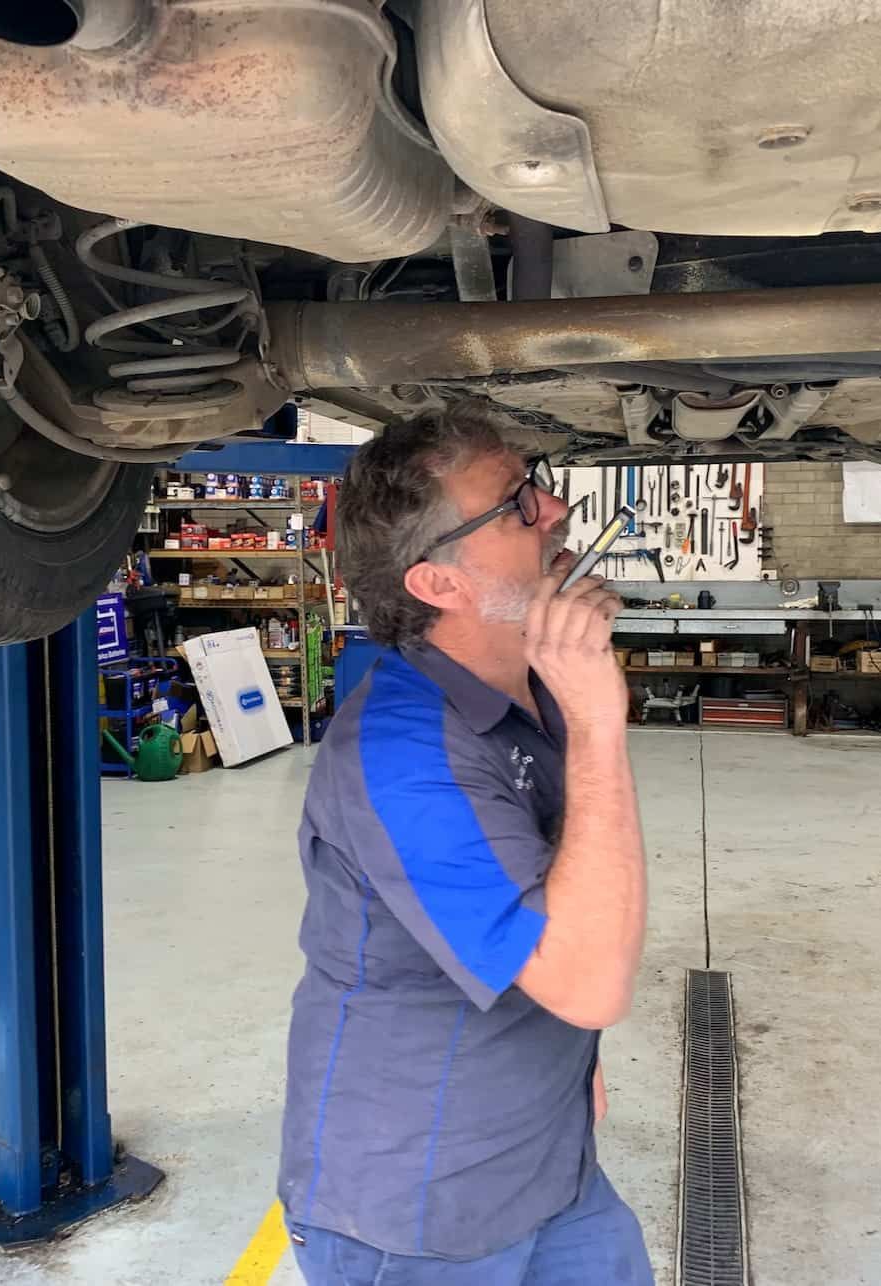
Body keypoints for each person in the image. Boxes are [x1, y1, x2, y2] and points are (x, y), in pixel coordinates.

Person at [279, 404, 653, 1284]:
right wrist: (602, 727)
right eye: (518, 504)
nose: (555, 511)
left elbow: (570, 900)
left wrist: (570, 1070)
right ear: (438, 585)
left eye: (538, 486)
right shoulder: (404, 756)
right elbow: (589, 981)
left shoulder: (532, 689)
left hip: (547, 1161)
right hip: (419, 1210)